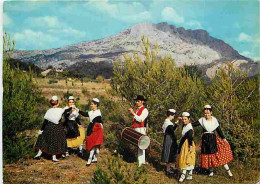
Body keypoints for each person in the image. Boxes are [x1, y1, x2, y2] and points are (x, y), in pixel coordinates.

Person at [192, 105, 233, 177]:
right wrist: (186, 122)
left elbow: (219, 130)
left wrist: (224, 139)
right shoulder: (202, 120)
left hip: (213, 140)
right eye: (205, 113)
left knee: (219, 155)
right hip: (205, 140)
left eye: (208, 113)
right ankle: (211, 172)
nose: (206, 115)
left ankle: (229, 172)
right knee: (209, 156)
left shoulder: (214, 120)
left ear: (211, 112)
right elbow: (193, 124)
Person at [34, 96, 69, 162]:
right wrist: (71, 107)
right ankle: (54, 156)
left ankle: (39, 154)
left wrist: (41, 130)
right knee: (56, 140)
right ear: (57, 103)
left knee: (44, 139)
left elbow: (45, 122)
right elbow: (66, 112)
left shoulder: (49, 111)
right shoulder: (60, 110)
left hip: (48, 127)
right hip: (57, 127)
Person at [78, 98, 104, 166]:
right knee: (93, 144)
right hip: (91, 129)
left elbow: (98, 120)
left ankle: (90, 159)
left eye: (92, 104)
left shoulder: (98, 113)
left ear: (96, 105)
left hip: (96, 130)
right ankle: (94, 158)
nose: (91, 105)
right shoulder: (91, 112)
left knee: (93, 145)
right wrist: (78, 111)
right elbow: (85, 114)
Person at [128, 95, 149, 167]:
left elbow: (140, 119)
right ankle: (141, 162)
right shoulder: (137, 110)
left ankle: (140, 163)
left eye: (138, 101)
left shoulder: (145, 110)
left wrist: (133, 113)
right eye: (136, 101)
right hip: (136, 128)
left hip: (141, 128)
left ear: (142, 102)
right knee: (139, 146)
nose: (137, 102)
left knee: (141, 146)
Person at [177, 112, 196, 182]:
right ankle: (186, 174)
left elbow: (190, 137)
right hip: (184, 143)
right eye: (183, 119)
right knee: (184, 157)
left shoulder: (189, 127)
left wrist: (190, 145)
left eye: (186, 119)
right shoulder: (184, 126)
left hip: (188, 144)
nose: (184, 121)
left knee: (187, 158)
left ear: (189, 119)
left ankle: (185, 174)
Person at [161, 109, 180, 174]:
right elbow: (172, 131)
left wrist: (176, 123)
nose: (173, 117)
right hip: (169, 138)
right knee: (169, 152)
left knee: (168, 152)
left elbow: (172, 129)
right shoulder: (168, 123)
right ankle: (168, 169)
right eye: (173, 115)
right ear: (170, 115)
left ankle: (168, 168)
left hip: (168, 138)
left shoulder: (167, 122)